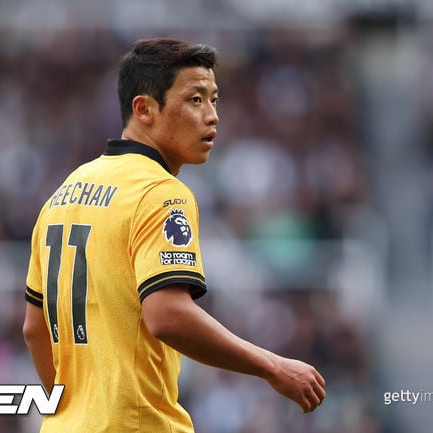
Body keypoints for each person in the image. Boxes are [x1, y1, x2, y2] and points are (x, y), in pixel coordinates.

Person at [22, 37, 326, 433]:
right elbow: (167, 316)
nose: (212, 116)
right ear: (144, 109)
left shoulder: (63, 194)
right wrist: (273, 366)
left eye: (214, 100)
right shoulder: (160, 192)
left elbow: (34, 329)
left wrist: (73, 410)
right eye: (195, 100)